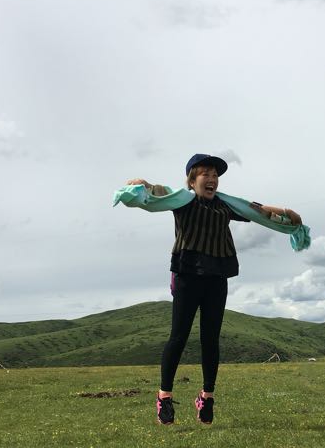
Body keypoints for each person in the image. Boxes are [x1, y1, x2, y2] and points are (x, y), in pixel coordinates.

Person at [121, 154, 305, 424]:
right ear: (192, 180)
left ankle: (206, 398)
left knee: (210, 339)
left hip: (217, 277)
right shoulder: (181, 200)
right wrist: (141, 184)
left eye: (215, 175)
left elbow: (256, 210)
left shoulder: (225, 206)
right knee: (179, 336)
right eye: (205, 174)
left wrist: (287, 214)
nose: (212, 179)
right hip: (187, 275)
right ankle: (164, 397)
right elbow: (156, 192)